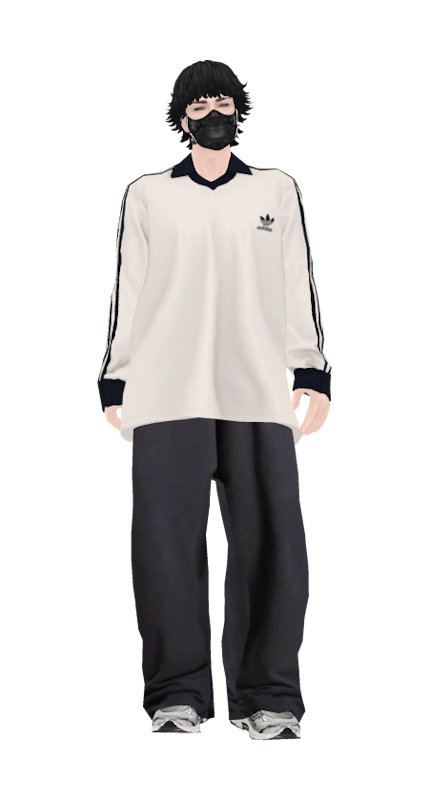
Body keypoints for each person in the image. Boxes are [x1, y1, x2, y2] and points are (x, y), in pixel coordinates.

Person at [97, 60, 331, 739]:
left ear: (239, 111)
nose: (212, 112)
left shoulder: (275, 189)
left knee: (272, 547)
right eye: (199, 104)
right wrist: (117, 377)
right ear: (182, 118)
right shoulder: (147, 194)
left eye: (222, 100)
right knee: (164, 550)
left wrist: (310, 371)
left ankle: (269, 698)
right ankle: (176, 696)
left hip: (257, 392)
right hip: (166, 392)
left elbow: (297, 285)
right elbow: (128, 288)